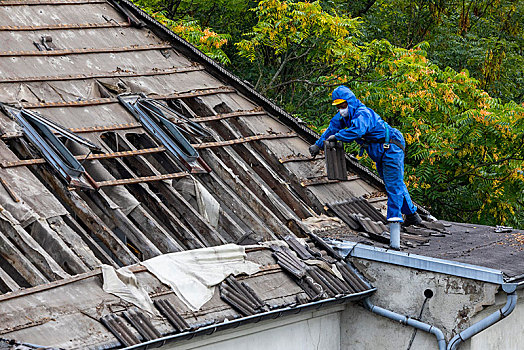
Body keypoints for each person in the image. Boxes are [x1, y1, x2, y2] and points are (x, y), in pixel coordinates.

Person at [309, 85, 422, 228]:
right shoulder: (344, 116)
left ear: (350, 102)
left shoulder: (363, 114)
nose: (340, 109)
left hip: (391, 146)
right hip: (382, 150)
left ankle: (394, 222)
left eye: (343, 105)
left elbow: (357, 131)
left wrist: (337, 136)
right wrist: (318, 145)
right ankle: (412, 216)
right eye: (338, 106)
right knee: (393, 183)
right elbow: (331, 128)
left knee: (394, 184)